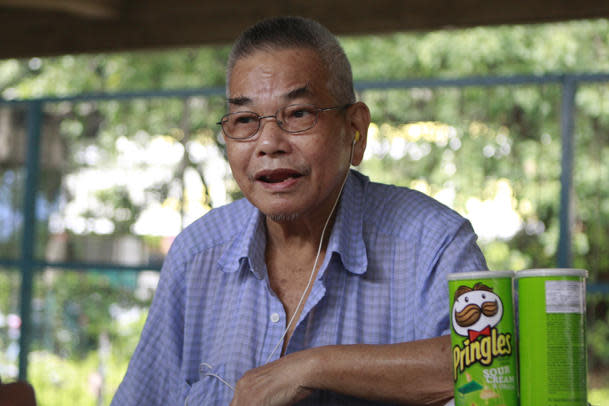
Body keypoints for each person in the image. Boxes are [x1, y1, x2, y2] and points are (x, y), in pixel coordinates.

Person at [112, 16, 487, 406]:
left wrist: (313, 367)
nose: (269, 143)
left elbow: (488, 366)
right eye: (245, 120)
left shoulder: (431, 243)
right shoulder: (197, 256)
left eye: (299, 114)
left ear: (355, 130)